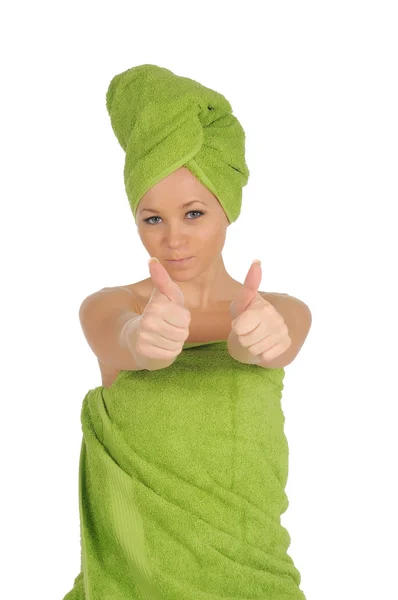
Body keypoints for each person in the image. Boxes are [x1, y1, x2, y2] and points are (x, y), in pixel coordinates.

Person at [63, 64, 310, 600]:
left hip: (255, 582)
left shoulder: (280, 310)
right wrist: (142, 340)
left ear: (227, 210)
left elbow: (278, 337)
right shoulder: (109, 307)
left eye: (193, 213)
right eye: (152, 219)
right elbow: (124, 339)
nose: (172, 239)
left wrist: (254, 339)